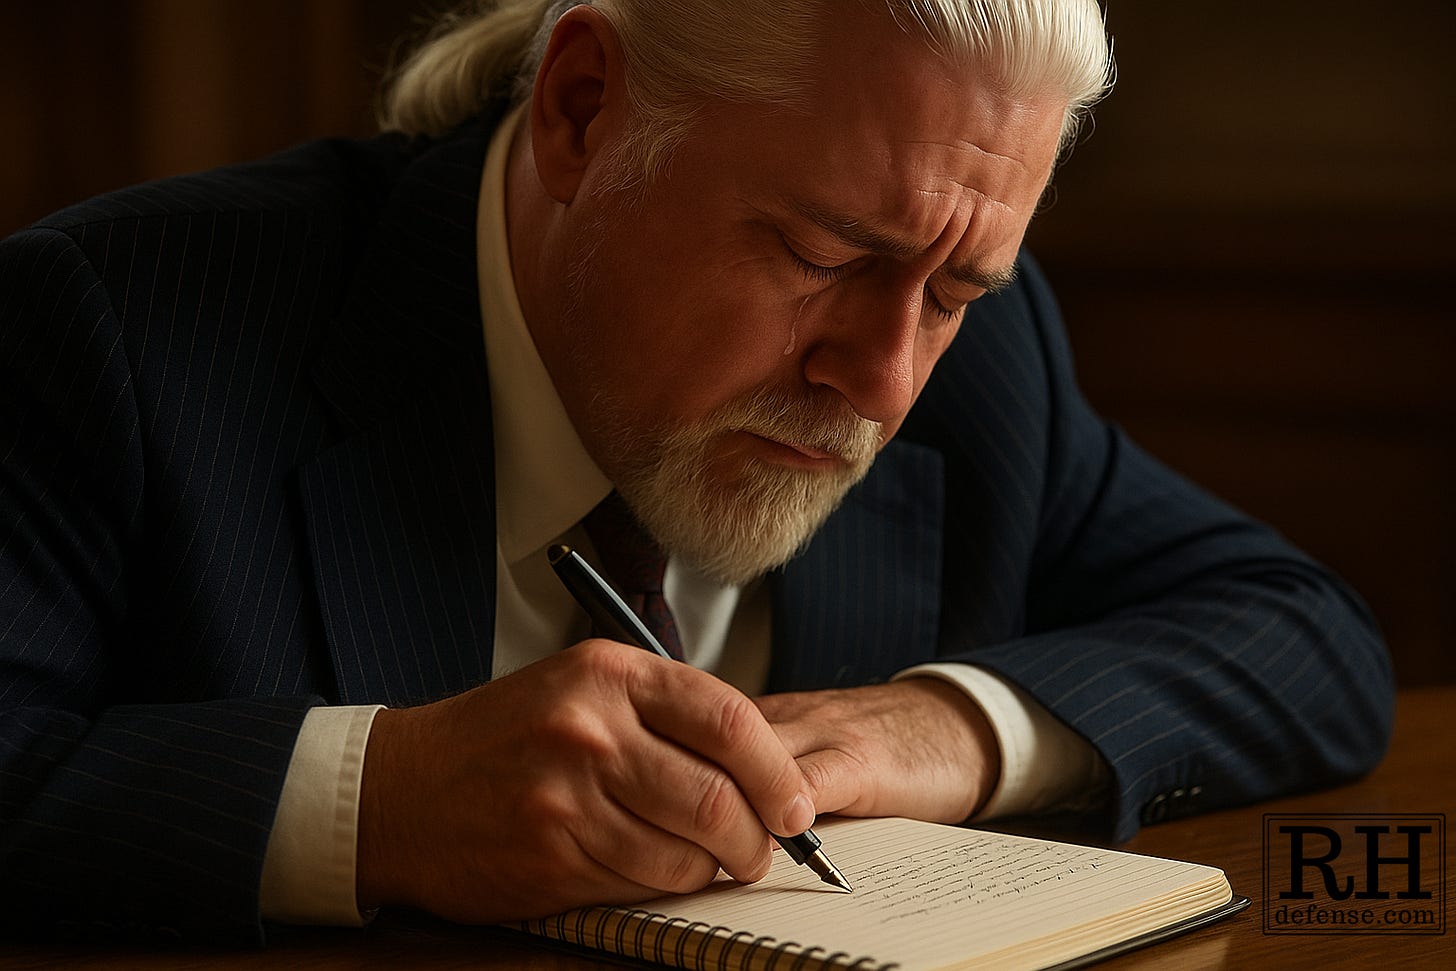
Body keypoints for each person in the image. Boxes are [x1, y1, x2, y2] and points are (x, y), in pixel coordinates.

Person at [0, 0, 1392, 945]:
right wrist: (390, 804)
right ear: (584, 109)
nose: (889, 380)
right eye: (823, 257)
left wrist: (938, 732)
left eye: (957, 290)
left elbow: (1304, 631)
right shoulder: (114, 331)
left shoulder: (986, 353)